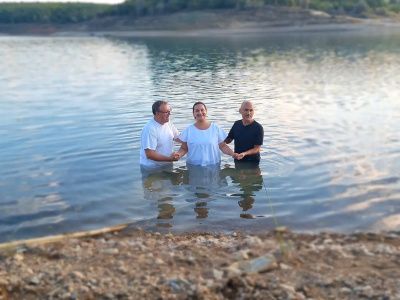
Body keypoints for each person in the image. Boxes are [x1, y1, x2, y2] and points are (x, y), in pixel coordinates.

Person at [173, 102, 236, 166]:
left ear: (206, 111)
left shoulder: (215, 128)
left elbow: (223, 146)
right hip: (194, 166)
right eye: (197, 111)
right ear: (193, 114)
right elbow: (184, 148)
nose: (200, 112)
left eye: (202, 110)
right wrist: (178, 154)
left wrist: (233, 154)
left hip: (213, 165)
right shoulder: (189, 130)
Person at [140, 100, 180, 169]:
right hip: (152, 168)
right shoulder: (149, 129)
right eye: (166, 112)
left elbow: (178, 137)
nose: (169, 114)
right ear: (157, 113)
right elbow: (150, 154)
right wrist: (170, 159)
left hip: (167, 164)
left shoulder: (168, 122)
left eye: (170, 111)